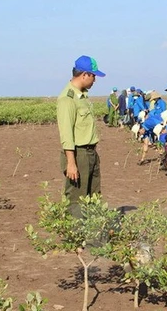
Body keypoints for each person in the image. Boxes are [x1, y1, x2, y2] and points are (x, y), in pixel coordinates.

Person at [56, 55, 105, 218]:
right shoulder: (67, 98)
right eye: (93, 76)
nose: (94, 80)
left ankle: (92, 239)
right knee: (77, 199)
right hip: (78, 154)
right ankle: (76, 241)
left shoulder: (82, 96)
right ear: (84, 74)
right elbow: (66, 133)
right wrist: (71, 162)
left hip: (90, 153)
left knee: (93, 196)